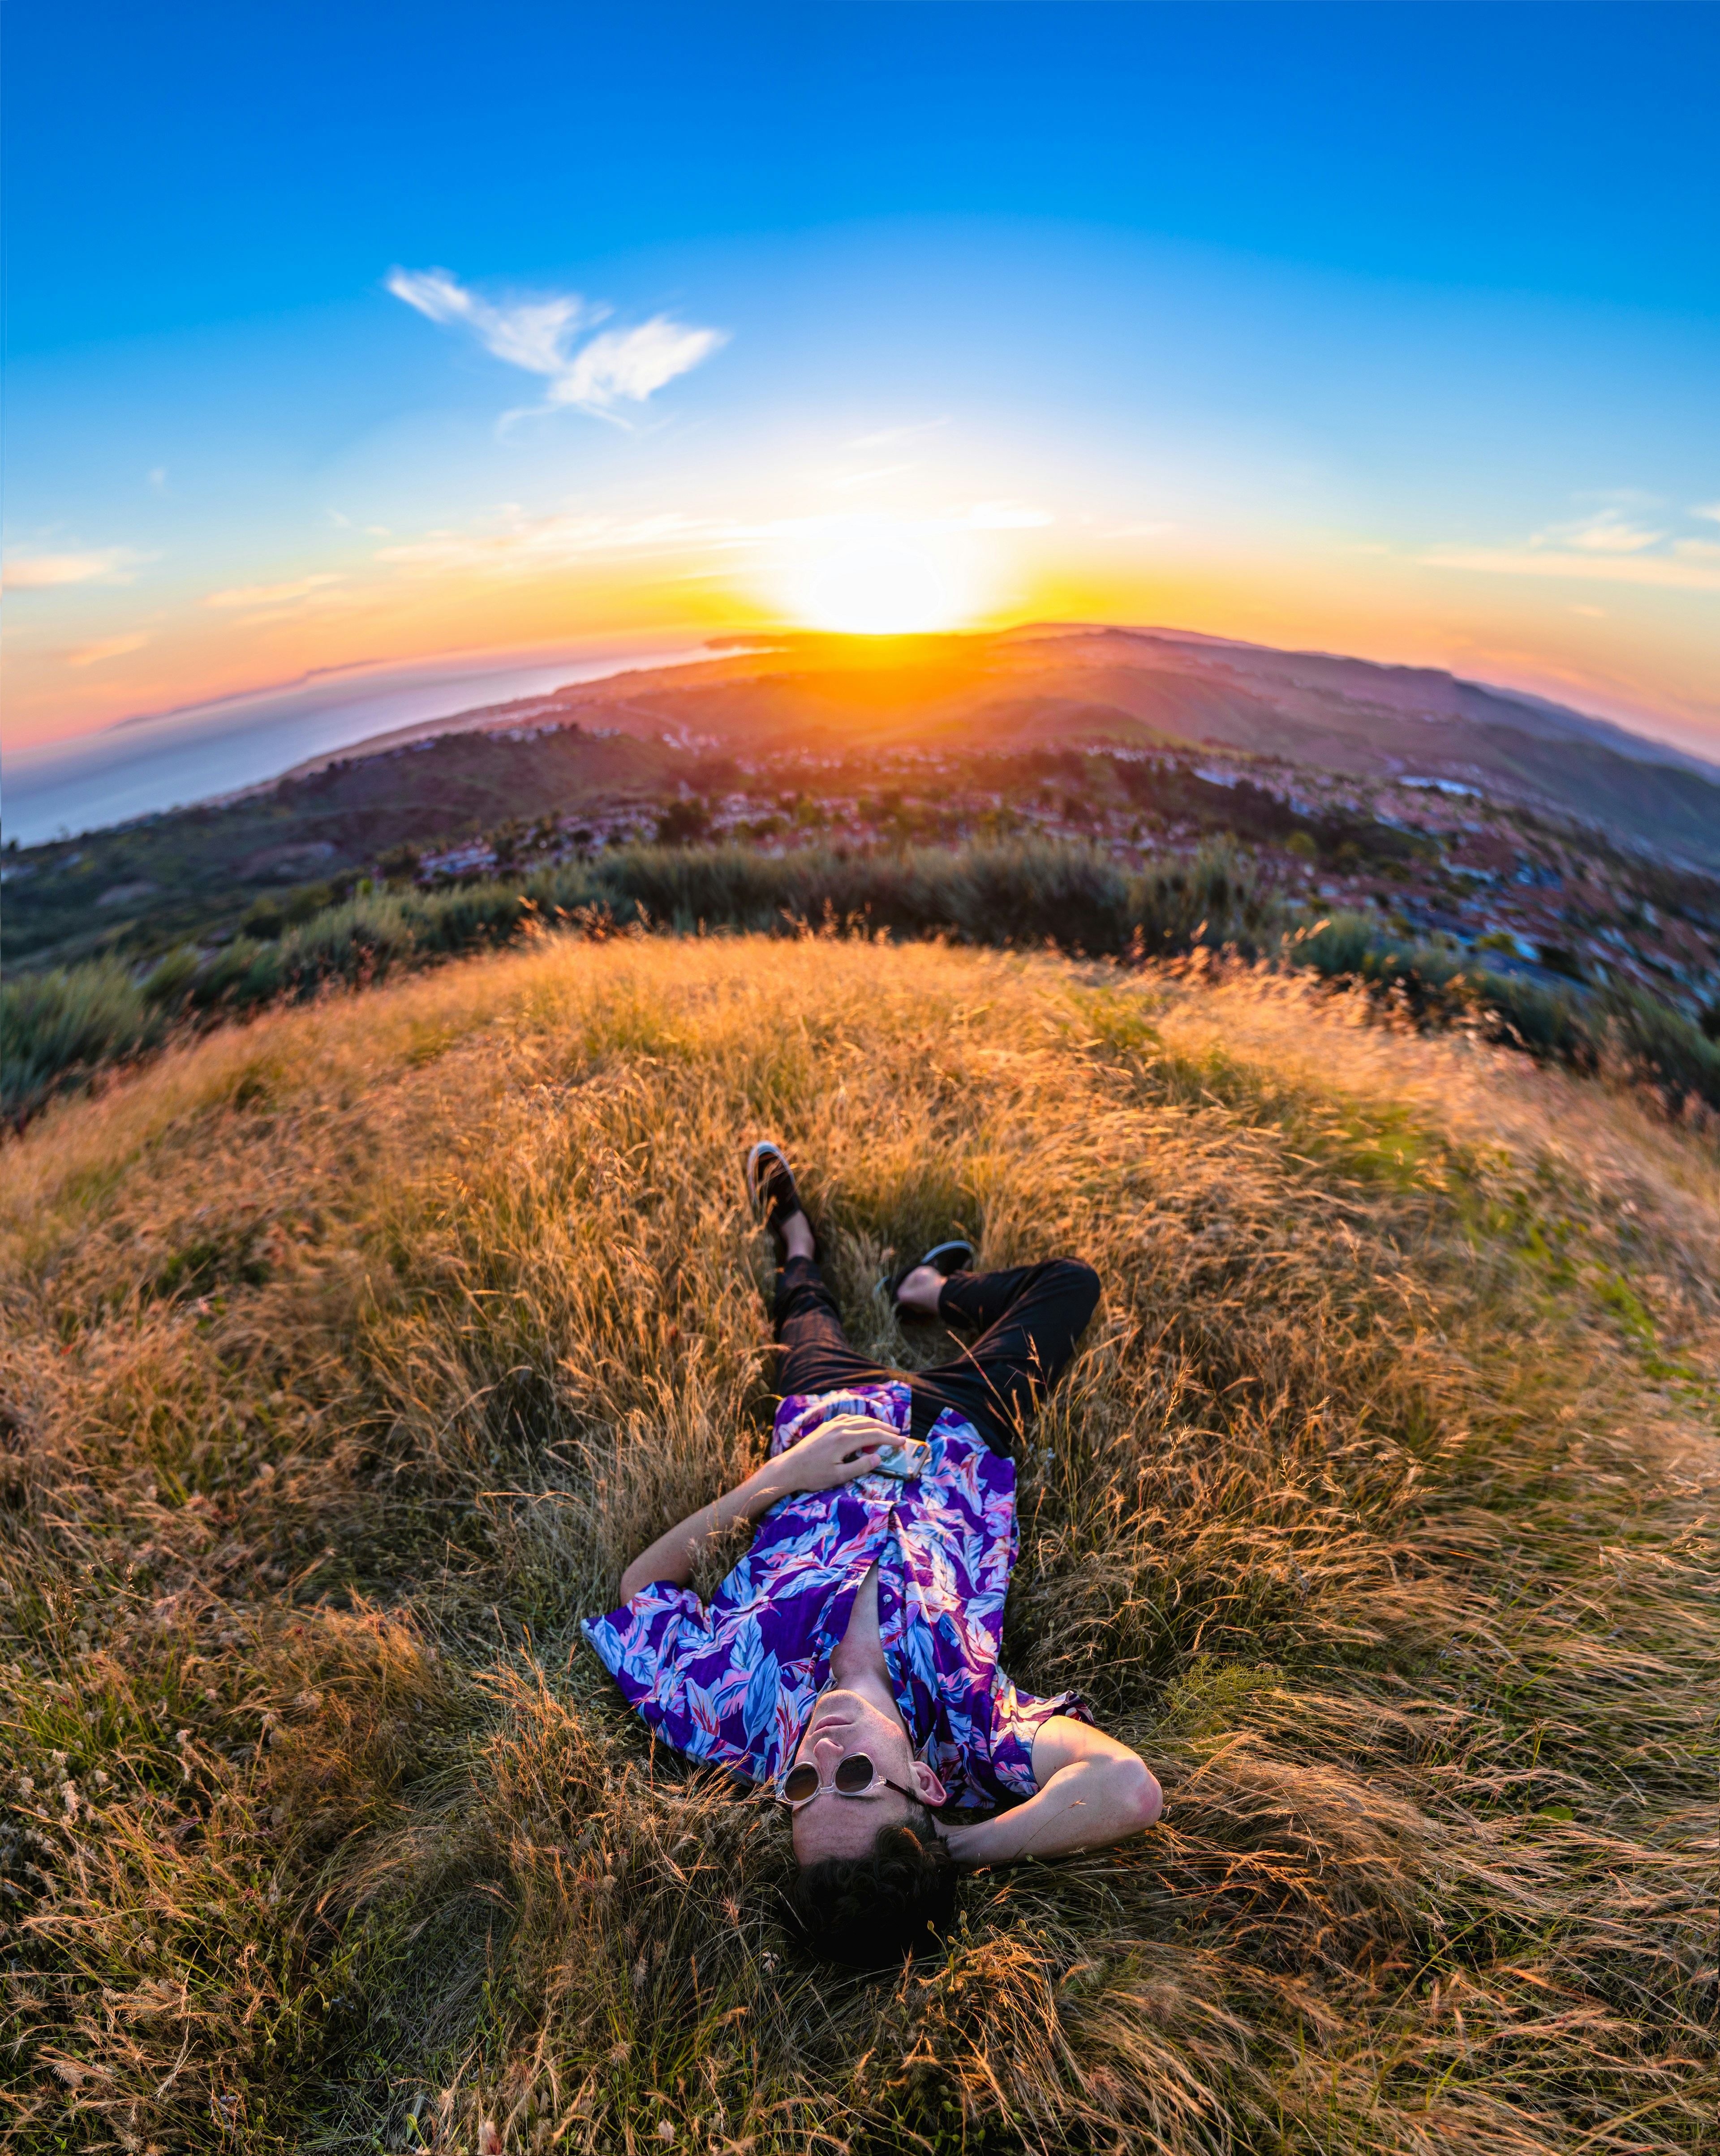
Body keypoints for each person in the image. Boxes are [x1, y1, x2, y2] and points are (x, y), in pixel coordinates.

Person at [582, 1142, 1162, 1967]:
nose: (820, 1752)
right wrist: (953, 1849)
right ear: (923, 1785)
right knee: (1072, 1285)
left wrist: (781, 1475)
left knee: (804, 1300)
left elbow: (643, 1589)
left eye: (801, 1789)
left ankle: (795, 1234)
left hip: (827, 1418)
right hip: (963, 1431)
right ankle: (931, 1291)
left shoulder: (732, 1716)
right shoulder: (972, 1734)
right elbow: (1129, 1789)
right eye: (853, 1776)